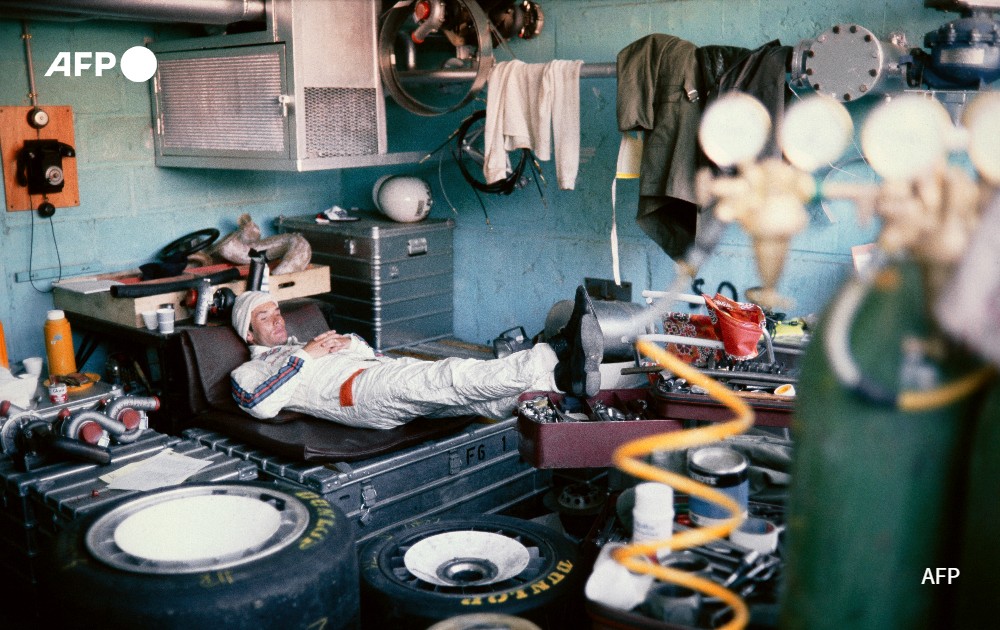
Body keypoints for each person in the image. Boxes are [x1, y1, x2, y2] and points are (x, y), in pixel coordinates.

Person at [229, 288, 603, 429]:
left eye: (277, 310)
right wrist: (308, 358)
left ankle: (558, 379)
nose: (278, 319)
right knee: (447, 376)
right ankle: (556, 351)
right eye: (265, 317)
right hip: (351, 395)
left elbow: (367, 352)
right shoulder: (252, 370)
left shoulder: (303, 345)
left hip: (376, 374)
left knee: (475, 400)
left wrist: (347, 343)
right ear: (249, 333)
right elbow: (260, 405)